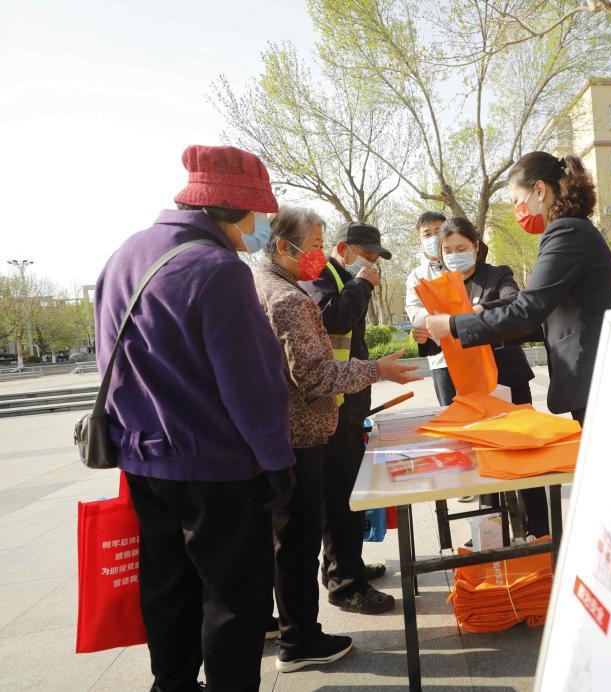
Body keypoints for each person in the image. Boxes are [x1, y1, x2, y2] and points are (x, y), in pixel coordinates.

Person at [94, 144, 294, 692]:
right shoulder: (218, 269)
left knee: (166, 584)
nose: (257, 227)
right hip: (216, 468)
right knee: (233, 597)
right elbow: (252, 383)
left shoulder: (124, 254)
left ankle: (172, 684)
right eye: (256, 214)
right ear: (232, 208)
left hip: (142, 460)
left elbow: (106, 357)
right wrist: (278, 463)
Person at [252, 207, 420, 673]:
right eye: (316, 245)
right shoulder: (289, 296)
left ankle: (298, 626)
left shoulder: (268, 283)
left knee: (298, 534)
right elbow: (312, 372)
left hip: (306, 425)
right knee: (299, 537)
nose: (319, 256)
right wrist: (378, 369)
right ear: (285, 246)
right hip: (305, 429)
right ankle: (299, 638)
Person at [424, 152, 611, 425]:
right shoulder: (573, 229)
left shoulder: (565, 233)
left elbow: (526, 310)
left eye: (516, 201)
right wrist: (480, 312)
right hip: (590, 379)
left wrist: (454, 325)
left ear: (539, 190)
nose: (517, 212)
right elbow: (539, 317)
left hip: (593, 376)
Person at [415, 216, 550, 537]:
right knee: (482, 460)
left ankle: (539, 531)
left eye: (461, 248)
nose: (454, 255)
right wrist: (424, 337)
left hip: (508, 379)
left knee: (523, 456)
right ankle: (492, 533)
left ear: (475, 247)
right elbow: (437, 335)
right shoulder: (440, 288)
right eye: (448, 250)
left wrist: (480, 312)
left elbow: (516, 302)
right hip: (470, 385)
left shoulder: (497, 274)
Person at [300, 221, 396, 614]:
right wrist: (363, 284)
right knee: (340, 498)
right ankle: (345, 585)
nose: (373, 264)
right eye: (367, 255)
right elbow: (331, 320)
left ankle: (344, 568)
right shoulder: (324, 277)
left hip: (348, 402)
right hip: (332, 405)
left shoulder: (345, 279)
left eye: (376, 257)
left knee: (345, 495)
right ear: (343, 248)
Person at [404, 211, 456, 405]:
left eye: (439, 231)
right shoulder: (416, 276)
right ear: (420, 241)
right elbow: (415, 315)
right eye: (427, 234)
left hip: (473, 357)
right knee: (451, 417)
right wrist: (449, 314)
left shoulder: (461, 264)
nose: (434, 237)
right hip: (440, 361)